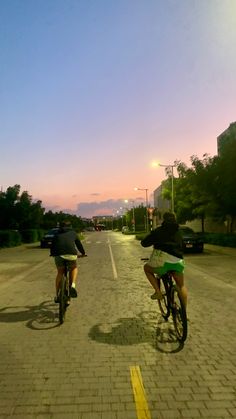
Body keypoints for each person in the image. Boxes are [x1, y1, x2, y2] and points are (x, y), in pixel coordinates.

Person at [141, 211, 187, 307]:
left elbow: (144, 243)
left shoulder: (158, 231)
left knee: (147, 268)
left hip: (162, 262)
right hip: (178, 262)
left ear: (163, 219)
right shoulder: (179, 231)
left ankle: (158, 292)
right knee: (181, 286)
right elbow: (182, 246)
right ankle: (183, 315)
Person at [50, 221, 86, 303]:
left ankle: (58, 294)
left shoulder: (56, 233)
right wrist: (83, 253)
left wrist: (52, 253)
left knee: (60, 272)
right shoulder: (73, 233)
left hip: (59, 254)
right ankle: (72, 285)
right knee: (74, 267)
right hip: (71, 254)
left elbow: (53, 245)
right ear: (70, 226)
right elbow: (79, 244)